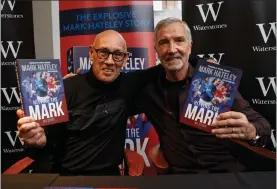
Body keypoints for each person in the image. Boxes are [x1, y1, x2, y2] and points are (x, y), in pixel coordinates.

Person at [16, 30, 205, 175]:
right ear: (91, 53)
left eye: (117, 55)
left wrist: (200, 63)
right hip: (66, 178)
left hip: (109, 179)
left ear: (125, 59)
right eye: (103, 52)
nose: (109, 61)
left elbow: (169, 62)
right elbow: (44, 148)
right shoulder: (65, 88)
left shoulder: (130, 85)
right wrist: (37, 142)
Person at [136, 17, 271, 174]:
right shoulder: (148, 90)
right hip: (179, 179)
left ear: (190, 46)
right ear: (156, 50)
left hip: (225, 174)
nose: (172, 49)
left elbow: (263, 127)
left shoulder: (215, 80)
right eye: (164, 42)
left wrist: (251, 131)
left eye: (179, 40)